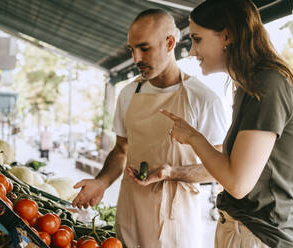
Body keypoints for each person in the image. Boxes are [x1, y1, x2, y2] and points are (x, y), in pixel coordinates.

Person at [72, 9, 227, 247]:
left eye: (144, 48)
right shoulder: (127, 94)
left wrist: (172, 172)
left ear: (170, 43)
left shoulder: (204, 99)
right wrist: (101, 182)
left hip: (178, 224)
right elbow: (121, 150)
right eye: (132, 50)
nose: (136, 58)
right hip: (130, 216)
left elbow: (219, 168)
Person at [158, 0, 293, 247]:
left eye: (197, 39)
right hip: (243, 230)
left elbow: (237, 183)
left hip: (260, 236)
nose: (192, 51)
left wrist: (194, 138)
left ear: (227, 36)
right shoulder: (248, 87)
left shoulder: (268, 85)